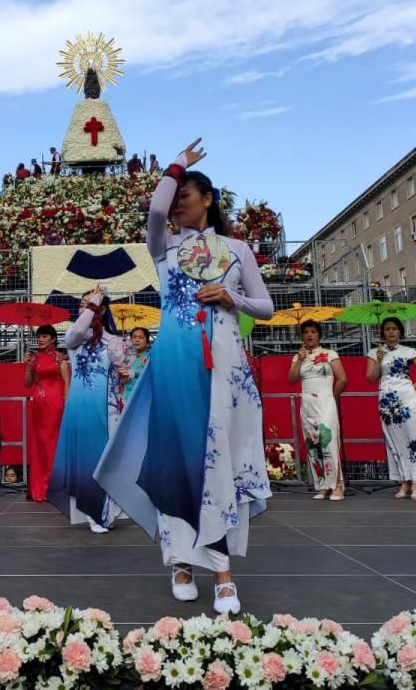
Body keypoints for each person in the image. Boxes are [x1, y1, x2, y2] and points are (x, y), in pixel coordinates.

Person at [97, 139, 274, 615]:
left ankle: (222, 570)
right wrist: (175, 168)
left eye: (186, 197)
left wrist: (231, 299)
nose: (176, 206)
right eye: (174, 199)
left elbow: (268, 307)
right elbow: (155, 211)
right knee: (176, 459)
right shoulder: (166, 248)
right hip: (176, 363)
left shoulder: (237, 249)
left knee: (220, 462)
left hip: (226, 365)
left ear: (209, 200)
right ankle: (179, 560)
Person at [49, 286, 130, 532]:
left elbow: (126, 371)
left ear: (103, 310)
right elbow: (77, 329)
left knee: (107, 460)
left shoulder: (114, 342)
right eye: (83, 304)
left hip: (107, 408)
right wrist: (95, 299)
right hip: (81, 407)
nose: (85, 308)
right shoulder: (75, 339)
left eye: (91, 304)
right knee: (87, 459)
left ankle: (106, 508)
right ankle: (94, 512)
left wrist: (127, 375)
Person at [365, 317, 416, 500]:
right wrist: (379, 361)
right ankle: (404, 481)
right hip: (387, 399)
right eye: (387, 329)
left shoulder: (409, 351)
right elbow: (370, 379)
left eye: (394, 329)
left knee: (415, 436)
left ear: (400, 332)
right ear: (382, 332)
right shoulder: (374, 352)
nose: (391, 332)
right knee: (395, 441)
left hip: (407, 397)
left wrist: (412, 387)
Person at [288, 319, 348, 501]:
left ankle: (337, 485)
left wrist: (332, 396)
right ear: (302, 336)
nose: (309, 335)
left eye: (313, 331)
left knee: (327, 440)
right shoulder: (298, 356)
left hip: (325, 401)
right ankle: (322, 485)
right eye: (306, 332)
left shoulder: (330, 354)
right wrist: (299, 359)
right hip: (307, 403)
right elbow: (291, 379)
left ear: (319, 334)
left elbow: (343, 379)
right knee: (312, 443)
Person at [23, 324, 70, 503]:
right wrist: (27, 366)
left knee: (54, 443)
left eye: (44, 336)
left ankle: (55, 486)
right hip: (38, 406)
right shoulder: (34, 359)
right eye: (39, 336)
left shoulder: (60, 358)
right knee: (40, 445)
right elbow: (28, 383)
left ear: (53, 339)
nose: (41, 339)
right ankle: (39, 487)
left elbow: (67, 382)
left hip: (56, 404)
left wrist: (66, 403)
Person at [123, 327, 152, 403]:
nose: (137, 340)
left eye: (141, 337)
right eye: (134, 337)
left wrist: (133, 372)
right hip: (124, 398)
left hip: (142, 398)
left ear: (148, 342)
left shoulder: (151, 357)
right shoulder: (124, 358)